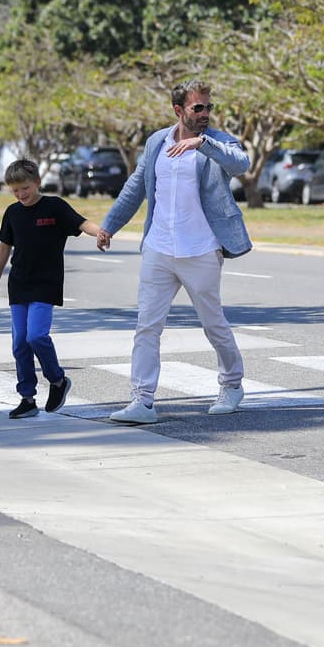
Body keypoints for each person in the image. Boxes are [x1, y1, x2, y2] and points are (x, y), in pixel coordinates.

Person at [99, 79, 252, 425]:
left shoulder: (218, 141)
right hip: (159, 247)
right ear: (179, 110)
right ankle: (142, 400)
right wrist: (110, 225)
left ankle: (232, 385)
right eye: (198, 108)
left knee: (213, 324)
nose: (205, 114)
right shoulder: (157, 142)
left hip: (201, 249)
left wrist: (204, 144)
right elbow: (136, 186)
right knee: (147, 326)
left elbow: (240, 165)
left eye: (209, 107)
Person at [0, 159, 111, 419]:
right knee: (20, 343)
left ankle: (57, 380)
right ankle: (28, 398)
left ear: (38, 183)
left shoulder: (54, 207)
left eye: (25, 188)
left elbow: (81, 223)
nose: (21, 195)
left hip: (46, 282)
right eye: (15, 190)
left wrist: (100, 232)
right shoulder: (12, 212)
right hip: (19, 283)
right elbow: (4, 248)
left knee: (36, 337)